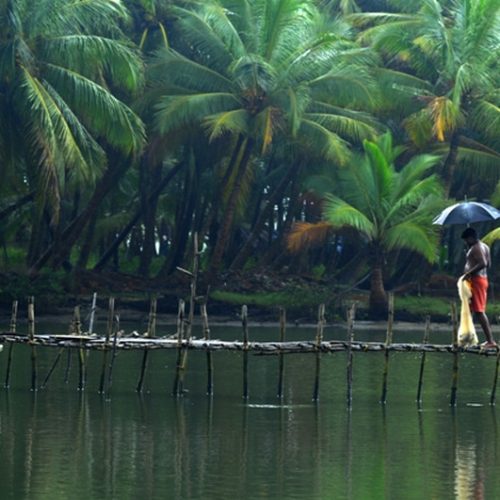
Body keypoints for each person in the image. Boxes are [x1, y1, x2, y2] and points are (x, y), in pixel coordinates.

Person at [461, 227, 496, 348]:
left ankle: (490, 341)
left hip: (477, 281)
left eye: (466, 240)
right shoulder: (484, 246)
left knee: (479, 311)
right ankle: (466, 339)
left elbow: (483, 263)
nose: (465, 242)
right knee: (470, 310)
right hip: (479, 281)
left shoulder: (477, 247)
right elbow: (489, 263)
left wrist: (469, 273)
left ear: (471, 238)